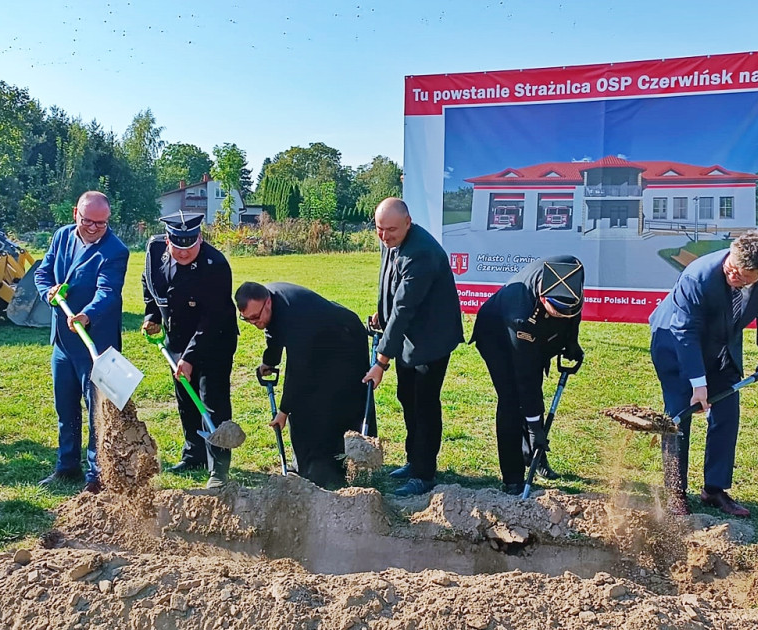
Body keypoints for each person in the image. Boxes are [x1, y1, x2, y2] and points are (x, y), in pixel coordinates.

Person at [649, 229, 758, 517]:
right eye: (731, 268)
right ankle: (676, 494)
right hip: (674, 343)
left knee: (726, 415)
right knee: (678, 418)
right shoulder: (697, 277)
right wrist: (698, 385)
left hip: (723, 346)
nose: (733, 275)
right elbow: (685, 331)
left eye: (742, 275)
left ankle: (715, 489)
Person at [363, 198, 463, 497]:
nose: (384, 236)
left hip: (431, 340)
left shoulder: (422, 253)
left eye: (391, 229)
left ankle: (424, 474)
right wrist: (382, 312)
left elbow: (405, 308)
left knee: (424, 404)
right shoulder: (392, 240)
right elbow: (390, 282)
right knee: (407, 397)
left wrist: (381, 362)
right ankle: (412, 460)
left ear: (408, 222)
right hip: (408, 337)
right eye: (379, 229)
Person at [34, 191, 129, 494]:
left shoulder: (115, 250)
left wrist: (87, 315)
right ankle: (66, 466)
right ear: (76, 213)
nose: (93, 228)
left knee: (97, 410)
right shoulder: (62, 236)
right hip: (62, 342)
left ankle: (97, 474)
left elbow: (108, 292)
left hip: (95, 344)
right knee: (66, 408)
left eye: (100, 224)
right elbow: (42, 272)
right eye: (87, 221)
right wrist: (49, 292)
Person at [235, 281, 367, 489]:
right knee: (306, 404)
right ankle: (306, 464)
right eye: (247, 319)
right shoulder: (270, 305)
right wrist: (270, 361)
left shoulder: (294, 316)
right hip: (319, 339)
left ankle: (336, 466)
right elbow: (273, 330)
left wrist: (284, 410)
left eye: (256, 317)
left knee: (330, 400)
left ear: (267, 302)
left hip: (345, 339)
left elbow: (299, 369)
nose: (255, 323)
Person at [471, 256, 585, 496]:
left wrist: (571, 342)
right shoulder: (521, 314)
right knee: (512, 400)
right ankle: (512, 478)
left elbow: (571, 313)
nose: (564, 316)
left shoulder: (572, 273)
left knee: (534, 399)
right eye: (558, 312)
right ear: (543, 298)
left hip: (536, 337)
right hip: (497, 336)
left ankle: (534, 457)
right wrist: (535, 428)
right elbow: (526, 378)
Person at [141, 211, 237, 489]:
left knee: (211, 399)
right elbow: (150, 284)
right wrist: (152, 316)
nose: (183, 252)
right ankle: (193, 454)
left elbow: (213, 318)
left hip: (214, 338)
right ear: (169, 240)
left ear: (200, 238)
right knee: (185, 394)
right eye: (177, 246)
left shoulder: (215, 265)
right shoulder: (155, 249)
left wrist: (190, 357)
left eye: (190, 246)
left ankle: (218, 467)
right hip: (178, 335)